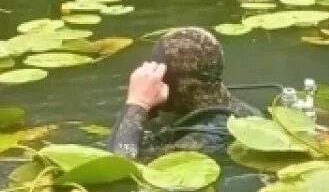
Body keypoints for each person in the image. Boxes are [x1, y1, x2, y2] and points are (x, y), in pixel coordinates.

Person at [108, 27, 258, 160]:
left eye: (159, 69)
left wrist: (138, 102)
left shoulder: (202, 140)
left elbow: (122, 162)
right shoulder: (240, 110)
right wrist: (148, 111)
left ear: (178, 82)